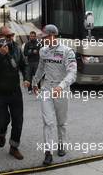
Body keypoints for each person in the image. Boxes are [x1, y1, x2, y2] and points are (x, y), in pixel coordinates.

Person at [32, 24, 77, 165]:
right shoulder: (43, 51)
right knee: (48, 122)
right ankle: (48, 152)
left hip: (61, 90)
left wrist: (61, 86)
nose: (43, 40)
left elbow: (73, 73)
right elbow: (41, 68)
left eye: (45, 38)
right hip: (47, 89)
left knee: (61, 122)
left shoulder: (67, 51)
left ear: (52, 36)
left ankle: (62, 144)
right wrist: (35, 82)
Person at [0, 26, 30, 160]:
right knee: (1, 121)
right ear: (0, 36)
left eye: (12, 35)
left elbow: (24, 65)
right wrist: (1, 55)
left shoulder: (17, 49)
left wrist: (27, 78)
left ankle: (14, 147)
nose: (11, 38)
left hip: (14, 91)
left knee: (18, 120)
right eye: (8, 36)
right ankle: (2, 132)